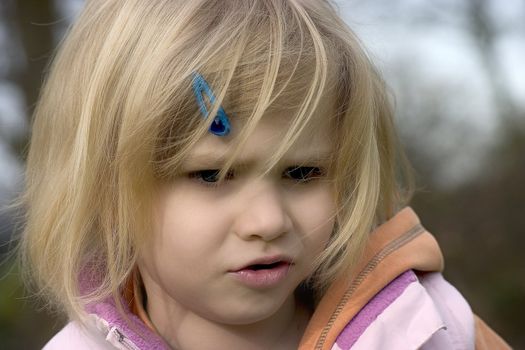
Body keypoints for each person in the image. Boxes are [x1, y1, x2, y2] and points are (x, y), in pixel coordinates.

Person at [17, 0, 510, 349]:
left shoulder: (434, 329)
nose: (268, 221)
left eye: (302, 171)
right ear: (104, 187)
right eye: (210, 175)